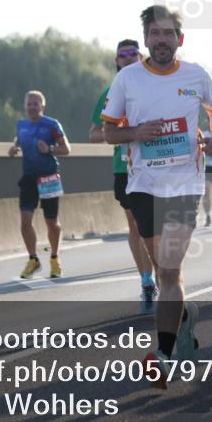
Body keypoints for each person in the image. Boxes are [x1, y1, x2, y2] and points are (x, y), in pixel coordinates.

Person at [100, 5, 212, 390]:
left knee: (169, 271)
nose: (161, 40)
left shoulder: (197, 74)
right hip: (144, 186)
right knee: (162, 270)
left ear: (179, 39)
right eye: (154, 33)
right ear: (146, 39)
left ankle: (164, 355)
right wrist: (136, 133)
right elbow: (109, 133)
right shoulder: (127, 79)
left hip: (185, 185)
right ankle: (184, 320)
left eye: (168, 33)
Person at [89, 39, 156, 309]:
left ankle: (164, 275)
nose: (128, 57)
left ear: (141, 56)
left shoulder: (156, 86)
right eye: (122, 55)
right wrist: (123, 133)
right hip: (125, 168)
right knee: (136, 226)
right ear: (117, 61)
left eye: (132, 53)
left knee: (157, 227)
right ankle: (146, 281)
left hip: (157, 165)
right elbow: (95, 134)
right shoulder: (110, 92)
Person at [10, 91, 71, 279]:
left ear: (42, 106)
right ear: (24, 106)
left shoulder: (52, 125)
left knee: (52, 223)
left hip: (48, 177)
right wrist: (14, 148)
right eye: (28, 104)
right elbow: (19, 140)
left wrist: (50, 149)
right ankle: (33, 259)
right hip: (29, 177)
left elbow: (66, 149)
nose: (31, 107)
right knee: (25, 221)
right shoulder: (21, 125)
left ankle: (55, 257)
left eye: (35, 104)